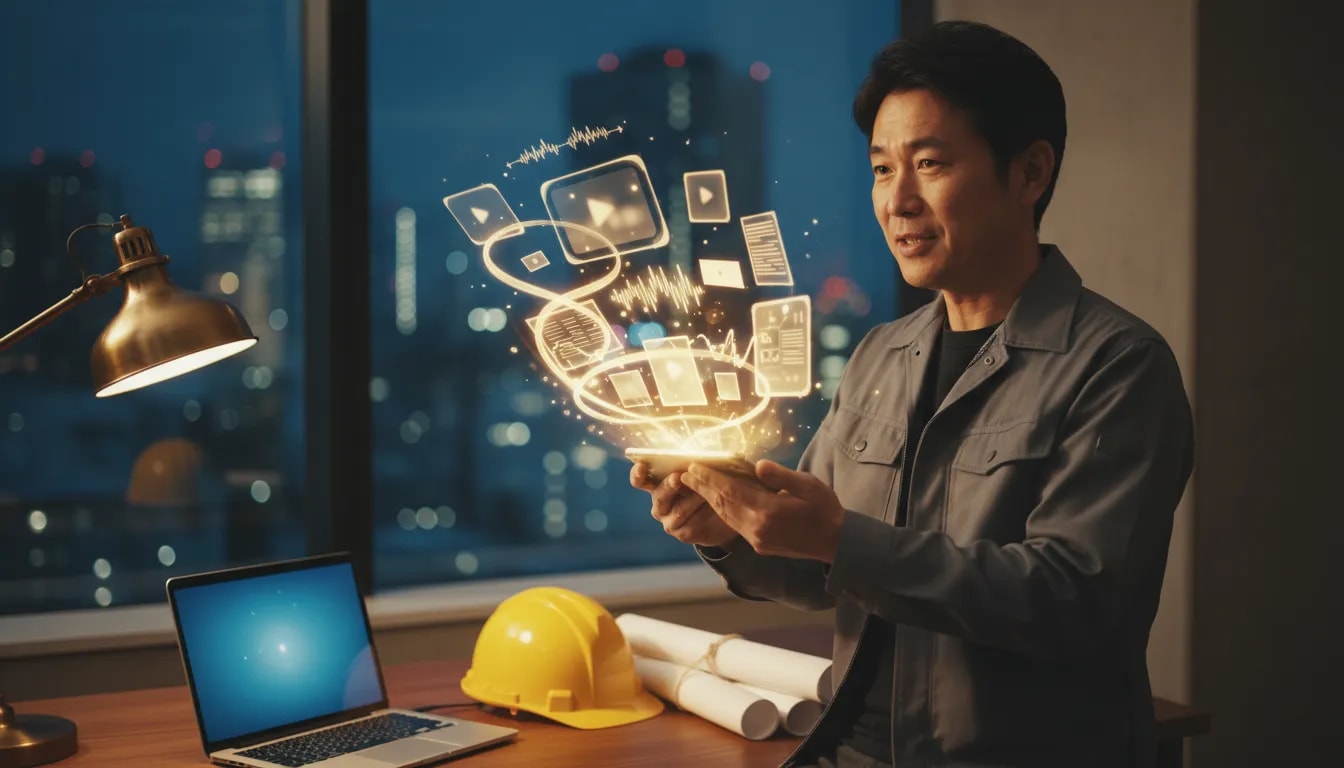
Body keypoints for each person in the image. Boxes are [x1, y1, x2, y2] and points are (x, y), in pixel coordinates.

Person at [630, 19, 1194, 768]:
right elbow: (816, 572)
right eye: (881, 168)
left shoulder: (1118, 366)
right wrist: (726, 531)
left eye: (929, 164)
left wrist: (836, 538)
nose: (898, 201)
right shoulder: (881, 355)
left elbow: (1075, 602)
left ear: (1030, 173)